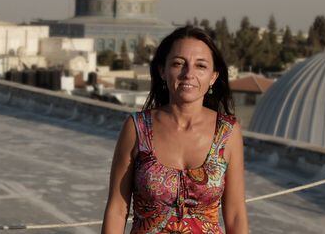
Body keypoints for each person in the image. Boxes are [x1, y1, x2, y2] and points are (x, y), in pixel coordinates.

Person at [102, 26, 248, 233]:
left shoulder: (227, 132)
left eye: (200, 66)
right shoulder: (137, 128)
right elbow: (117, 209)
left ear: (213, 76)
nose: (189, 74)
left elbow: (235, 214)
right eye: (178, 64)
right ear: (162, 71)